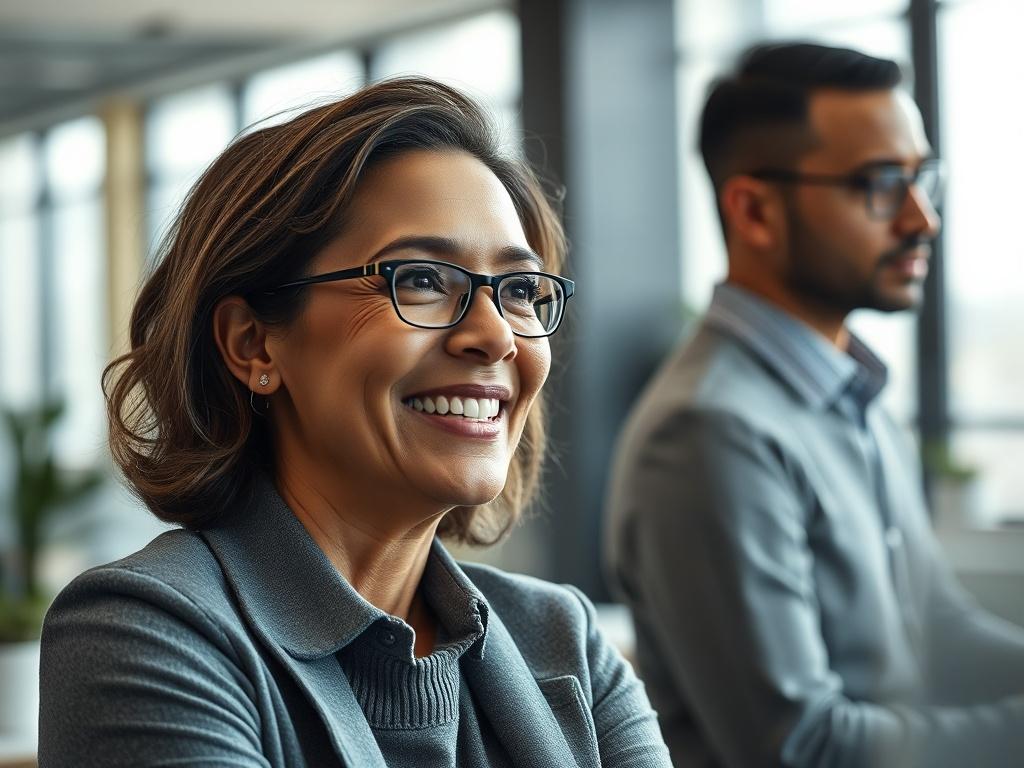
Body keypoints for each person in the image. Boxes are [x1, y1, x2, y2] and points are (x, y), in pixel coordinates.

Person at [39, 77, 671, 768]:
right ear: (254, 344)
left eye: (519, 290)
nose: (495, 337)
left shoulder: (562, 640)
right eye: (423, 279)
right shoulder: (145, 632)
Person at [605, 42, 1024, 768]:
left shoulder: (852, 396)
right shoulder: (708, 430)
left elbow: (934, 628)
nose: (922, 218)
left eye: (923, 177)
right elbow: (800, 749)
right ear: (756, 210)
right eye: (881, 183)